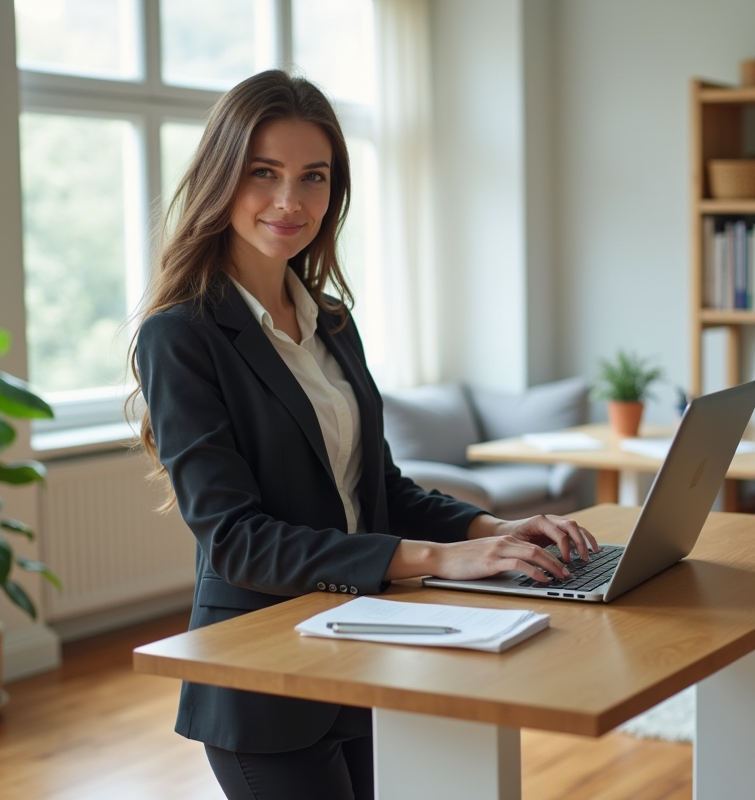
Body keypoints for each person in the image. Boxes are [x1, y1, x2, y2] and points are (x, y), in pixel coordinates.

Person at [130, 69, 597, 800]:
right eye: (264, 173)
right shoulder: (181, 336)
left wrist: (501, 530)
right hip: (266, 680)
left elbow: (378, 489)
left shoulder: (333, 323)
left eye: (313, 177)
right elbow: (237, 541)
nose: (291, 201)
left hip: (367, 645)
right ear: (222, 178)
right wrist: (448, 558)